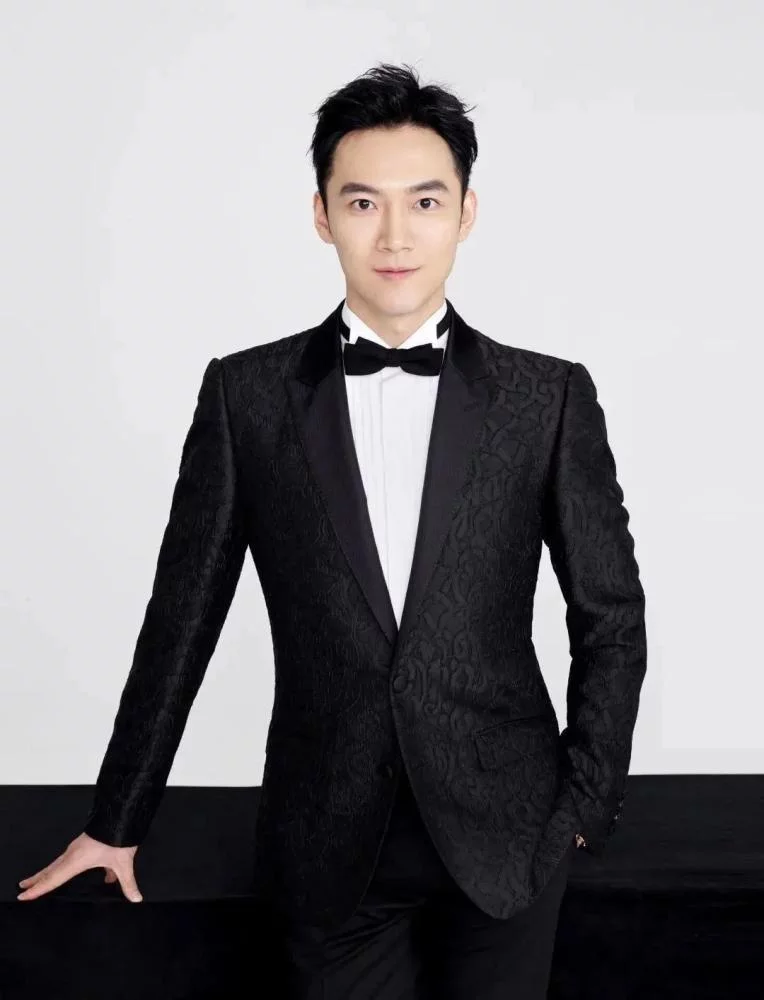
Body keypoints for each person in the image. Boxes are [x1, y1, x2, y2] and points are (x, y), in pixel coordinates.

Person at [17, 62, 647, 999]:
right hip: (324, 837)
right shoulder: (246, 395)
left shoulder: (546, 396)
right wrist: (118, 819)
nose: (394, 235)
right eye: (362, 203)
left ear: (466, 213)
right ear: (321, 215)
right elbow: (182, 620)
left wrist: (586, 799)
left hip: (510, 831)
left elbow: (610, 613)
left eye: (424, 202)